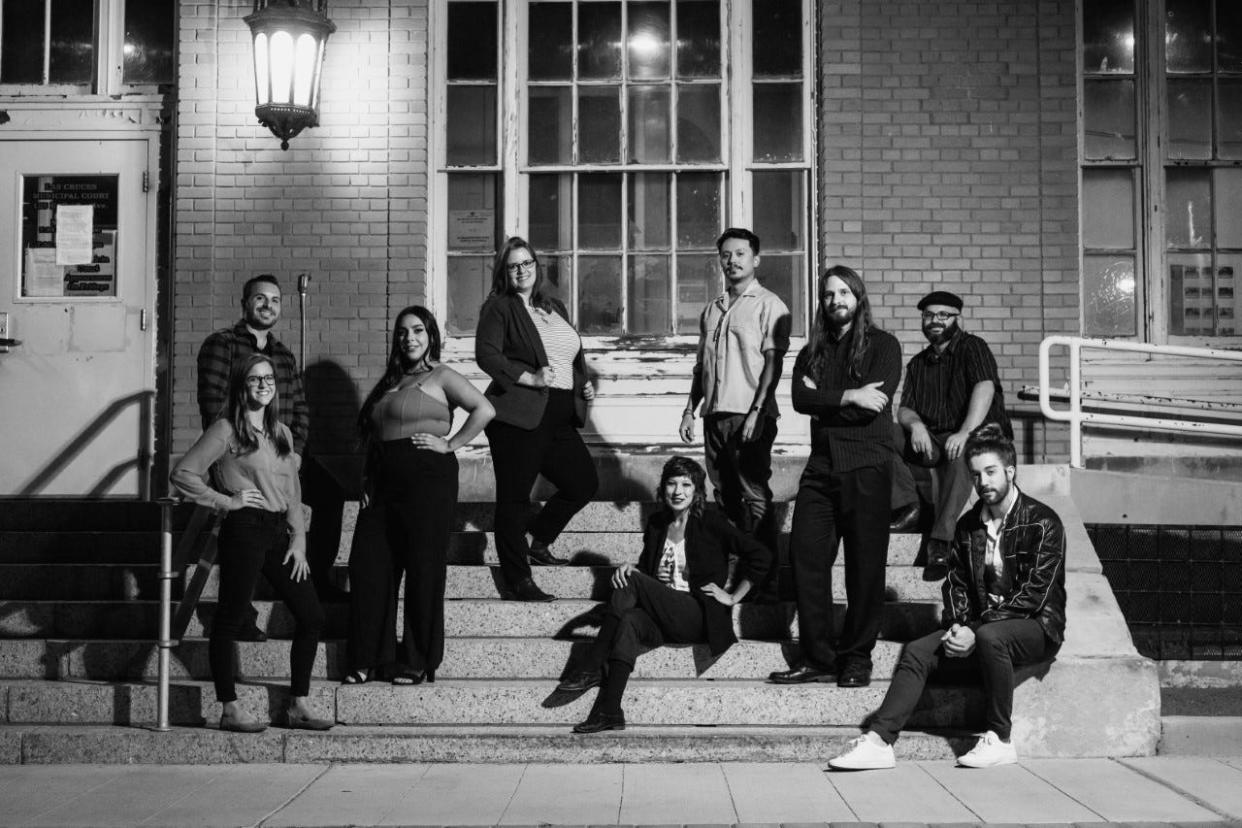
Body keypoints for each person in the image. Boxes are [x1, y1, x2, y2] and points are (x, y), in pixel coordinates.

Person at [828, 423, 1066, 770]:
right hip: (981, 630)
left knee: (990, 636)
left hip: (1036, 628)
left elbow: (1034, 595)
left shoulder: (1043, 522)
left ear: (1010, 471)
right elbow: (955, 585)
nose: (983, 482)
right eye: (976, 475)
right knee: (917, 651)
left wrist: (976, 628)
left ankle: (1000, 739)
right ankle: (879, 741)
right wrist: (958, 626)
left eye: (991, 472)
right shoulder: (968, 525)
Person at [171, 354, 332, 733]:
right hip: (243, 528)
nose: (263, 384)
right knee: (229, 617)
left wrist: (300, 539)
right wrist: (227, 502)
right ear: (241, 386)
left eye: (268, 378)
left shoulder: (282, 433)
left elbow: (292, 489)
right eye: (254, 379)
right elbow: (184, 473)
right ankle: (229, 707)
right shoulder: (226, 429)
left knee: (312, 616)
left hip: (278, 533)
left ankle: (298, 704)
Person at [556, 456, 772, 733]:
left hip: (696, 614)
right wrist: (628, 571)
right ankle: (610, 711)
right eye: (671, 484)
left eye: (686, 484)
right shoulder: (658, 523)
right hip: (661, 617)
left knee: (631, 583)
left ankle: (593, 664)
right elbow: (647, 572)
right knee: (629, 621)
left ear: (697, 491)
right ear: (663, 487)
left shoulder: (711, 521)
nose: (678, 491)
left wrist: (732, 597)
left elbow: (760, 556)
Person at [345, 306, 494, 685]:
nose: (409, 338)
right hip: (382, 485)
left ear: (430, 335)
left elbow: (484, 409)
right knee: (369, 565)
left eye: (417, 331)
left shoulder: (441, 375)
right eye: (402, 332)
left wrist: (450, 444)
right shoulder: (390, 381)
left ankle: (416, 659)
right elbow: (376, 439)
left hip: (428, 480)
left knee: (423, 569)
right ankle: (369, 656)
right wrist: (368, 481)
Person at [769, 266, 902, 689]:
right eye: (828, 294)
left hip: (866, 466)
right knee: (807, 560)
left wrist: (825, 402)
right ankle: (819, 657)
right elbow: (798, 398)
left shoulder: (884, 345)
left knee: (864, 568)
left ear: (858, 297)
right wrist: (848, 395)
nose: (835, 300)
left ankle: (857, 657)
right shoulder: (813, 352)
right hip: (821, 470)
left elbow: (873, 405)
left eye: (843, 292)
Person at [197, 275, 343, 607]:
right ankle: (240, 611)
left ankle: (315, 580)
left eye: (275, 300)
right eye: (260, 299)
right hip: (242, 456)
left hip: (284, 454)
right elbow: (212, 405)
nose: (268, 306)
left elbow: (300, 408)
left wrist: (298, 455)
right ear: (245, 303)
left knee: (331, 495)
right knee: (247, 520)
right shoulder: (222, 345)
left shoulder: (284, 354)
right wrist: (229, 459)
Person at [476, 237, 598, 602]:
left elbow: (567, 357)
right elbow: (487, 355)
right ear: (504, 271)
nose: (521, 270)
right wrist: (527, 377)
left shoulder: (553, 305)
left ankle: (538, 541)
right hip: (518, 416)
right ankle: (518, 580)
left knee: (583, 483)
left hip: (558, 414)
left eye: (526, 263)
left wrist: (581, 385)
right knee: (513, 500)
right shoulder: (499, 308)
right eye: (513, 265)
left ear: (536, 265)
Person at [679, 228, 791, 567]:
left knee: (754, 495)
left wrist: (757, 412)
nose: (732, 261)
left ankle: (763, 575)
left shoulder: (770, 305)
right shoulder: (711, 310)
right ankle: (736, 566)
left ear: (755, 259)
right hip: (715, 415)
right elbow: (702, 366)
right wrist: (689, 410)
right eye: (726, 255)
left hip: (749, 414)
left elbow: (774, 362)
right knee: (725, 497)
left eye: (740, 254)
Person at [897, 290, 1011, 581]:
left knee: (964, 453)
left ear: (956, 318)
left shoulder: (973, 347)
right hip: (935, 439)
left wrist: (964, 432)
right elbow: (905, 409)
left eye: (943, 315)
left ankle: (940, 542)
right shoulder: (918, 364)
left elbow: (984, 388)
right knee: (882, 435)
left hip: (978, 433)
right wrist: (916, 426)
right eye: (929, 315)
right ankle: (910, 507)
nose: (935, 320)